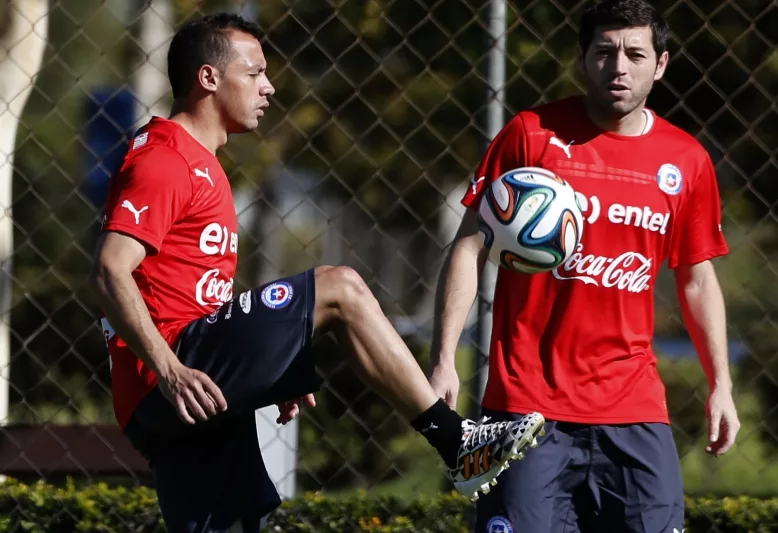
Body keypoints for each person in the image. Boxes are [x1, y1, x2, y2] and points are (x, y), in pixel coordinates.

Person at [89, 12, 546, 533]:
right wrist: (171, 372)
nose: (270, 85)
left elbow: (191, 293)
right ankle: (457, 442)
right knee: (341, 287)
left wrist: (273, 358)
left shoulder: (205, 163)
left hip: (187, 390)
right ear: (209, 79)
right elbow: (109, 273)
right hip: (169, 374)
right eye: (255, 72)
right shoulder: (165, 158)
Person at [428, 1, 741, 532]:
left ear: (659, 64)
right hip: (525, 405)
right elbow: (467, 247)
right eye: (605, 51)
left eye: (635, 54)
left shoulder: (685, 160)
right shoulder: (531, 135)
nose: (619, 66)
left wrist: (721, 384)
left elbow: (696, 277)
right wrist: (442, 361)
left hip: (634, 409)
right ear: (582, 59)